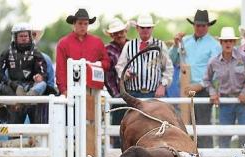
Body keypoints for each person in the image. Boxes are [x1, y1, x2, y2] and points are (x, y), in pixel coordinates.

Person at [170, 9, 221, 148]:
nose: (200, 28)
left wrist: (200, 85)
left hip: (202, 89)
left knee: (202, 125)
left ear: (208, 26)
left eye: (203, 25)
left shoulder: (214, 45)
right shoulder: (184, 41)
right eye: (198, 25)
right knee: (184, 126)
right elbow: (172, 60)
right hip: (185, 89)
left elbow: (215, 70)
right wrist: (175, 45)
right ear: (194, 25)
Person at [203, 27, 245, 148]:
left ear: (234, 43)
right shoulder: (213, 61)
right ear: (221, 43)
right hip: (225, 102)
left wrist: (244, 92)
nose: (228, 44)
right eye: (225, 41)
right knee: (224, 136)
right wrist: (212, 92)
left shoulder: (243, 57)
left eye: (230, 41)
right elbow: (206, 80)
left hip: (243, 102)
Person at [0, 23, 47, 123]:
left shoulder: (36, 53)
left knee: (42, 84)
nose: (24, 38)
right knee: (14, 131)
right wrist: (13, 85)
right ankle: (21, 101)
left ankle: (23, 101)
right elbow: (0, 73)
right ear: (15, 37)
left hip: (31, 90)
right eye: (21, 36)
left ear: (30, 37)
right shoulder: (7, 53)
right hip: (13, 90)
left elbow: (43, 73)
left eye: (26, 36)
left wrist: (40, 77)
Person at [115, 14, 173, 98]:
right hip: (133, 94)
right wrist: (126, 74)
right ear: (137, 28)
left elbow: (168, 69)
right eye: (142, 27)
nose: (145, 30)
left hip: (154, 94)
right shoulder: (129, 45)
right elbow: (120, 67)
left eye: (148, 27)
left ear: (152, 29)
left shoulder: (160, 45)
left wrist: (163, 85)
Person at [56, 9, 110, 96]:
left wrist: (95, 65)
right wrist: (63, 90)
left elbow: (107, 63)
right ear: (74, 23)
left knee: (92, 109)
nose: (83, 26)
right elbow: (60, 69)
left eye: (85, 23)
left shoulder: (97, 42)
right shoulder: (63, 43)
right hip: (71, 88)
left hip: (92, 89)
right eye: (80, 23)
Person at [103, 18, 130, 147]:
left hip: (134, 92)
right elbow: (108, 76)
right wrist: (116, 94)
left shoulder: (133, 46)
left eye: (121, 32)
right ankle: (116, 155)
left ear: (125, 31)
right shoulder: (107, 50)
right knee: (117, 128)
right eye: (115, 33)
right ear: (111, 35)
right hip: (118, 95)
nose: (119, 35)